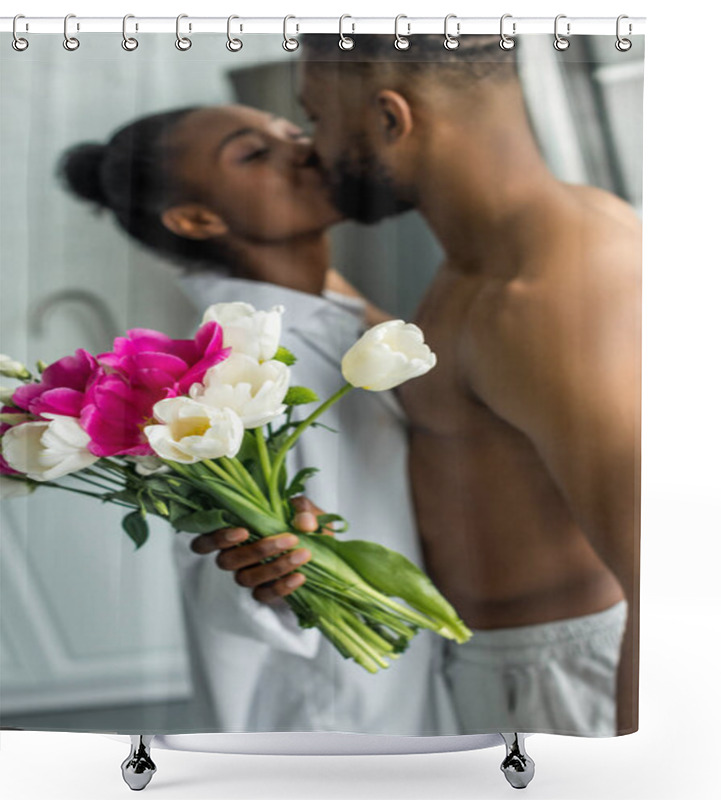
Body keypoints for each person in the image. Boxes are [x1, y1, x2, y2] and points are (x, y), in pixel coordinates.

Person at [58, 103, 461, 735]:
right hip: (329, 704)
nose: (300, 149)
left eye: (294, 131)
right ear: (197, 219)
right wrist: (260, 569)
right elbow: (218, 551)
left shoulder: (326, 312)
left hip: (406, 674)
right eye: (254, 153)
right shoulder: (222, 372)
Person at [298, 34, 641, 737]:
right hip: (495, 669)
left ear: (392, 120)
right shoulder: (489, 262)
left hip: (562, 693)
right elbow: (469, 385)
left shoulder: (545, 300)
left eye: (318, 118)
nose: (314, 149)